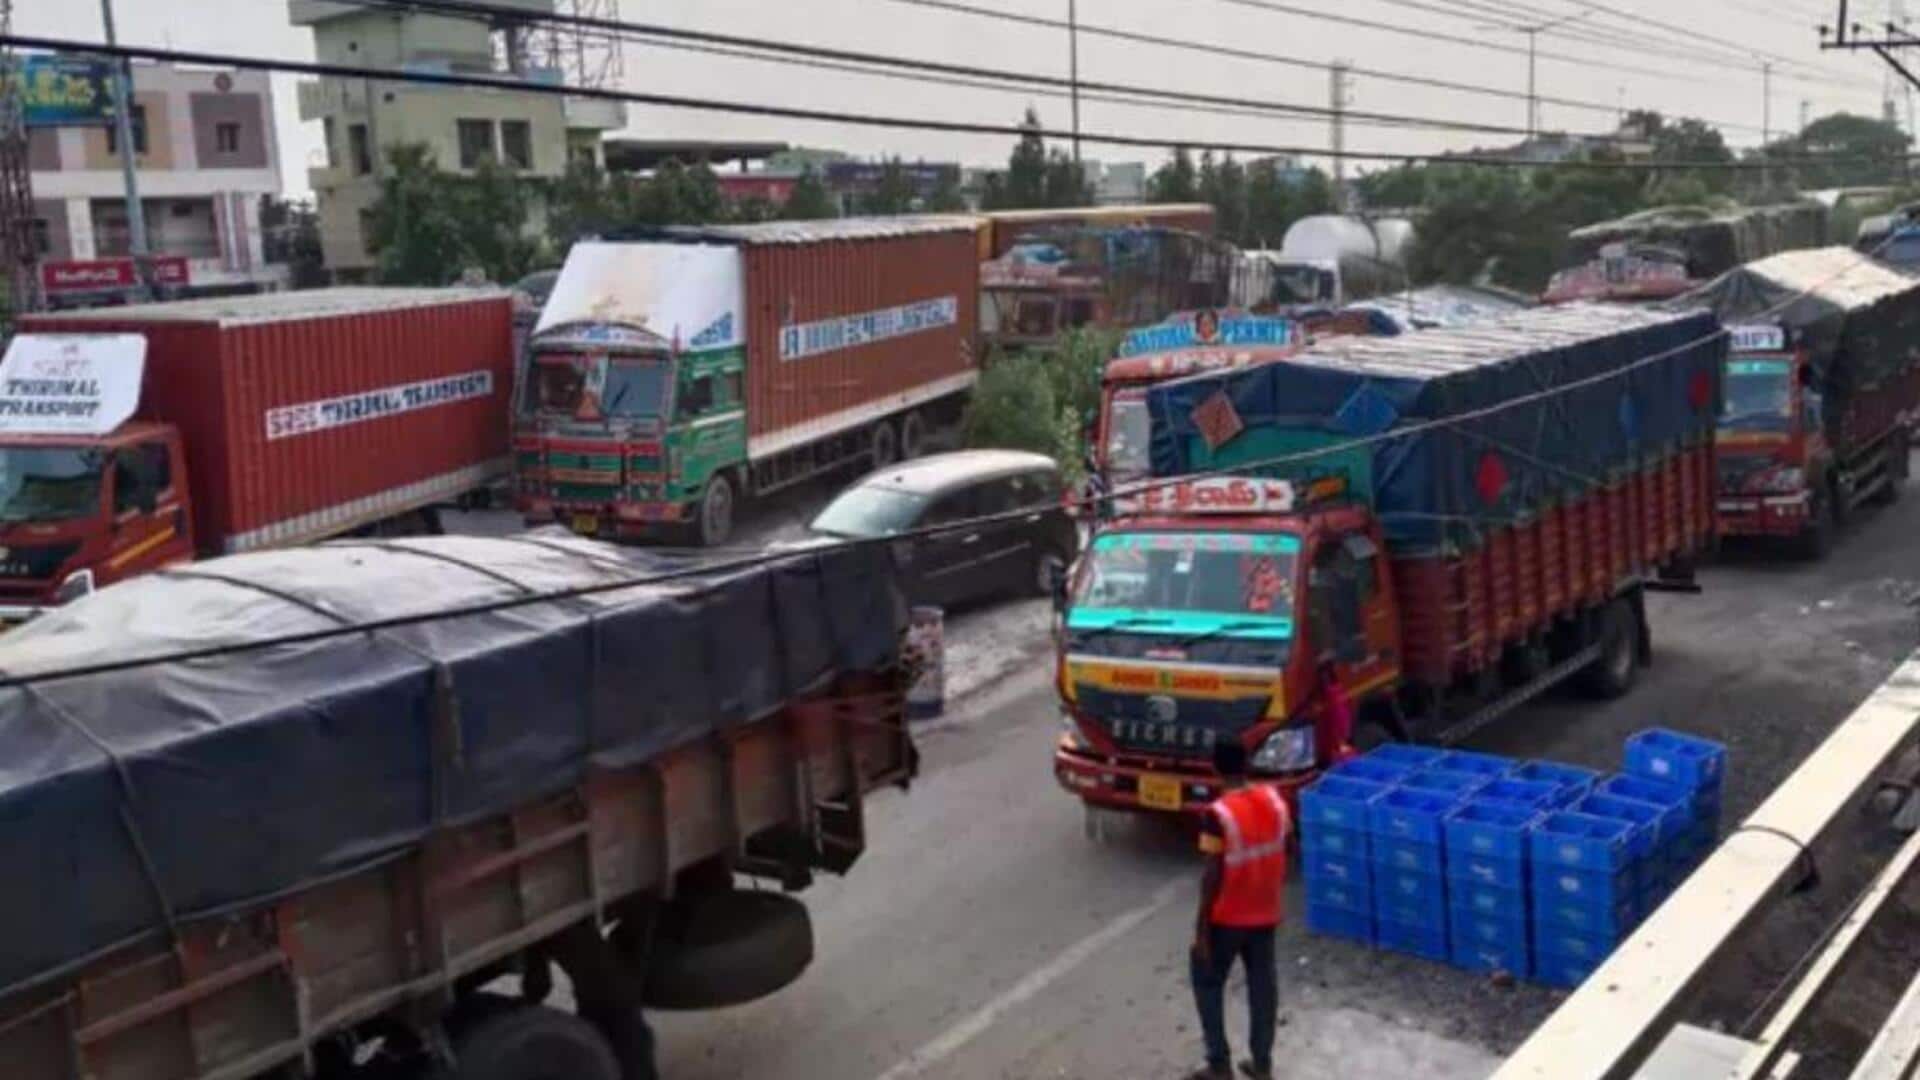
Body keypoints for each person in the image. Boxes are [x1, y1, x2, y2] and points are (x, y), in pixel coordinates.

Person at [1188, 739, 1291, 1080]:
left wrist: (1202, 929)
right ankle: (1262, 1064)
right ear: (1247, 763)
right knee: (1263, 986)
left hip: (1227, 917)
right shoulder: (1275, 802)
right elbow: (1287, 845)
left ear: (1214, 768)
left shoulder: (1217, 815)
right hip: (1265, 913)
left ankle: (1219, 1065)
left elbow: (1212, 873)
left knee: (1206, 980)